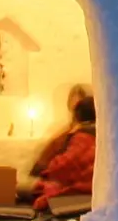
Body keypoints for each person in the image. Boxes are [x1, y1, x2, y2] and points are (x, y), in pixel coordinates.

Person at [24, 85, 96, 214]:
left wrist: (46, 174)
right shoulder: (98, 135)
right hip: (78, 184)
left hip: (76, 189)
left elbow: (64, 165)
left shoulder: (83, 136)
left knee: (21, 189)